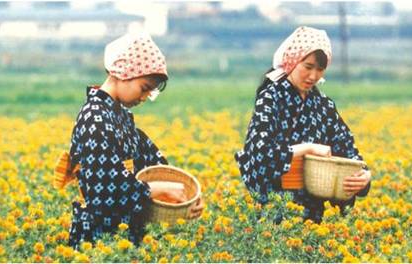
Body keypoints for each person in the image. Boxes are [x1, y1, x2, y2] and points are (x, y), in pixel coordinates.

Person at [56, 32, 204, 249]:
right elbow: (103, 188)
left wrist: (186, 194)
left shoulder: (122, 119)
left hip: (126, 236)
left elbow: (155, 165)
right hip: (97, 241)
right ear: (122, 72)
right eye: (144, 88)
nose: (144, 98)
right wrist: (153, 189)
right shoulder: (94, 118)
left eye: (150, 92)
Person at [234, 26, 371, 223]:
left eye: (320, 69)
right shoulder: (270, 98)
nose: (314, 76)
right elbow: (260, 154)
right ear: (292, 62)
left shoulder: (323, 105)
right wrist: (308, 148)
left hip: (314, 219)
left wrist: (364, 175)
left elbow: (347, 148)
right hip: (274, 214)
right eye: (308, 67)